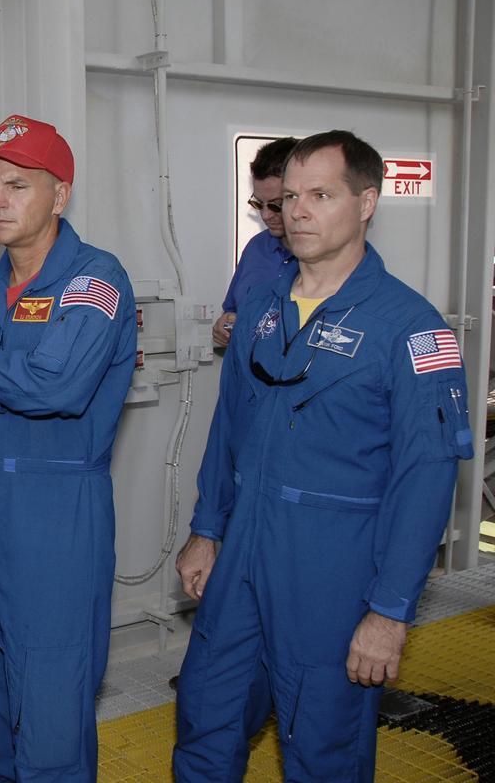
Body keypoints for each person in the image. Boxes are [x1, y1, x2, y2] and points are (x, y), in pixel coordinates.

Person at [172, 130, 473, 782]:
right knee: (205, 716)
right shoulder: (261, 307)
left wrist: (391, 612)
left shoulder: (413, 328)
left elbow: (427, 480)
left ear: (365, 203)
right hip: (244, 549)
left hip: (333, 567)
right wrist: (206, 528)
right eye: (288, 197)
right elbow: (230, 429)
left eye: (320, 195)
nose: (298, 211)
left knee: (322, 747)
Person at [0, 114, 137, 783]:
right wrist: (14, 375)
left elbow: (62, 388)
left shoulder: (95, 280)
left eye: (18, 185)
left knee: (50, 697)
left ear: (60, 196)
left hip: (57, 510)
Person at [212, 137, 297, 347]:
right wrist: (227, 322)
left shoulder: (325, 260)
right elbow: (233, 310)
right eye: (259, 203)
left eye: (276, 205)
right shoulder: (256, 248)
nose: (266, 215)